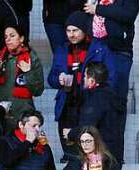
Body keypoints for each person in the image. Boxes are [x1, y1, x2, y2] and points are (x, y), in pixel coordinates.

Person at [46, 11, 108, 151]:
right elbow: (51, 78)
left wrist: (87, 81)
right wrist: (59, 79)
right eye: (68, 30)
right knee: (69, 149)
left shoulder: (98, 49)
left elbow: (109, 77)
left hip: (89, 103)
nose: (71, 34)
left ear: (84, 30)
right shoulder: (62, 50)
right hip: (67, 103)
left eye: (75, 30)